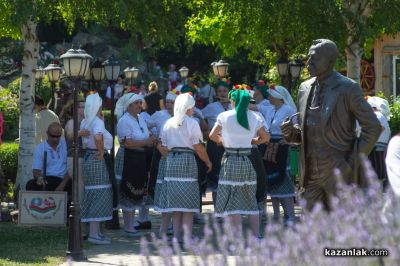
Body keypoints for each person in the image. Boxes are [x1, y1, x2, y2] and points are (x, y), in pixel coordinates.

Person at [280, 39, 381, 211]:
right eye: (308, 58)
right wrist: (291, 133)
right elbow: (307, 132)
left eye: (313, 59)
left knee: (341, 228)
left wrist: (349, 164)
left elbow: (373, 128)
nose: (308, 63)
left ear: (330, 60)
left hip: (338, 170)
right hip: (310, 173)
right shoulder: (304, 88)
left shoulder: (347, 88)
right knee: (311, 229)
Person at [209, 87, 270, 237]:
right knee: (250, 198)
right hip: (246, 160)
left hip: (230, 160)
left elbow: (212, 135)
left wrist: (223, 141)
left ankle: (236, 238)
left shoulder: (224, 116)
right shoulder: (255, 117)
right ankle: (256, 236)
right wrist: (254, 140)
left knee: (232, 201)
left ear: (233, 101)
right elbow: (266, 138)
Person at [158, 93, 212, 242]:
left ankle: (176, 237)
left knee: (176, 203)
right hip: (187, 160)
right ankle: (187, 237)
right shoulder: (192, 123)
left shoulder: (168, 122)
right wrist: (208, 162)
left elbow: (162, 145)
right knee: (188, 203)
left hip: (172, 161)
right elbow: (198, 147)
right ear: (189, 108)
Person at [115, 93, 157, 236]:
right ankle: (128, 225)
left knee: (138, 188)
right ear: (129, 106)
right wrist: (146, 142)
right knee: (128, 190)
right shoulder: (124, 121)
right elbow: (127, 143)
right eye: (136, 103)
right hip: (128, 158)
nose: (140, 105)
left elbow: (147, 134)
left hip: (140, 158)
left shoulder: (140, 118)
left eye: (140, 103)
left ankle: (132, 223)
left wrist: (151, 138)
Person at [260, 85, 297, 225]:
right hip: (270, 147)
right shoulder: (270, 110)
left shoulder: (289, 110)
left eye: (270, 95)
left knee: (284, 179)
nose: (268, 97)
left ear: (277, 97)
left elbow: (297, 128)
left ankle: (291, 216)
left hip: (282, 148)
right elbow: (252, 107)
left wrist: (288, 140)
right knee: (272, 181)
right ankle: (276, 215)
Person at [80, 93, 113, 244]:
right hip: (96, 158)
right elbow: (98, 138)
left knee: (94, 193)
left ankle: (96, 232)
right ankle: (94, 234)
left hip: (88, 158)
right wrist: (100, 151)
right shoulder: (97, 122)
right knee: (100, 193)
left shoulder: (85, 121)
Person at [147, 91, 177, 236]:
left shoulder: (183, 117)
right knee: (163, 186)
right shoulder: (159, 115)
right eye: (168, 102)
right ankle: (166, 224)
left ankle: (173, 224)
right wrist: (153, 138)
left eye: (172, 102)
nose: (169, 105)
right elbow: (144, 124)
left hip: (177, 155)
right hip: (162, 153)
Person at [201, 81, 232, 203]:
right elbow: (197, 114)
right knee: (216, 176)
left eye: (225, 91)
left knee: (229, 175)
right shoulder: (211, 107)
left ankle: (229, 208)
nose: (222, 93)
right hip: (215, 145)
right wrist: (206, 129)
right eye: (220, 91)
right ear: (216, 93)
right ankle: (217, 209)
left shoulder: (233, 106)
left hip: (230, 144)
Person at [27, 122, 71, 195]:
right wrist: (39, 178)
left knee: (72, 184)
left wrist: (62, 185)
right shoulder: (40, 148)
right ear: (47, 133)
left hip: (63, 179)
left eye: (58, 136)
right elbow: (36, 170)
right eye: (53, 136)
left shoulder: (67, 145)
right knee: (30, 184)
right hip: (47, 179)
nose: (55, 139)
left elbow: (71, 168)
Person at [64, 100, 90, 203]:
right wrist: (81, 133)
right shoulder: (72, 122)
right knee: (79, 185)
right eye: (81, 107)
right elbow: (70, 135)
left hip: (85, 157)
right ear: (75, 109)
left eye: (85, 106)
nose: (84, 109)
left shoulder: (87, 122)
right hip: (75, 157)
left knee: (83, 185)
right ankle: (78, 212)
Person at [366, 96, 391, 189]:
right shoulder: (380, 115)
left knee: (376, 175)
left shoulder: (377, 115)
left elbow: (379, 128)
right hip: (380, 147)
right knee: (379, 174)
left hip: (376, 148)